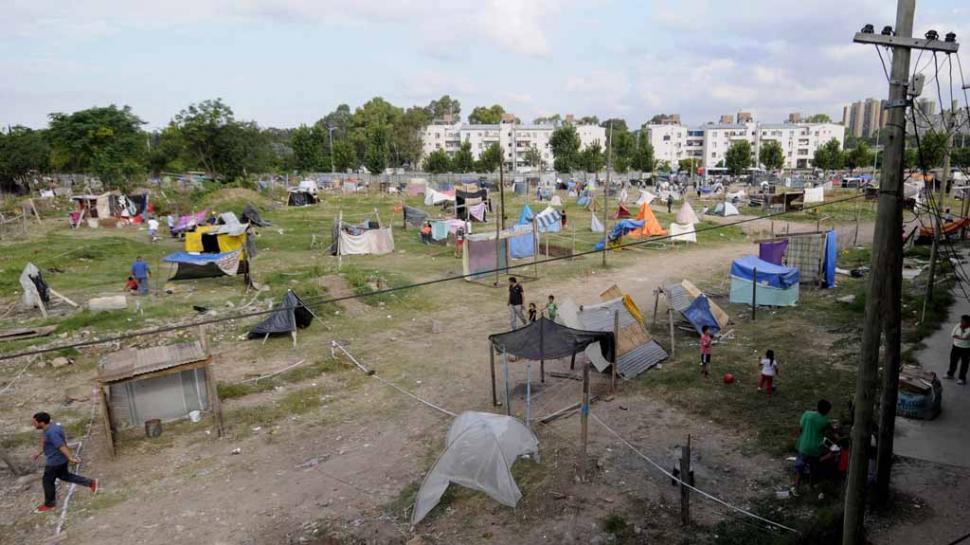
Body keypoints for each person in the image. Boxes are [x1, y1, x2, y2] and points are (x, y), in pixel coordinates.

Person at [31, 412, 98, 512]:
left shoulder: (52, 433)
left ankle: (49, 504)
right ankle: (91, 483)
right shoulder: (51, 427)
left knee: (47, 481)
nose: (33, 424)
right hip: (60, 459)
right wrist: (38, 453)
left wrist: (71, 458)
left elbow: (61, 446)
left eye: (35, 422)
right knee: (65, 476)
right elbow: (44, 440)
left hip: (54, 462)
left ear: (42, 423)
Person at [792, 399, 832, 493]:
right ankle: (811, 486)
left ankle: (796, 488)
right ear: (827, 411)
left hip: (803, 446)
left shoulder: (807, 414)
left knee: (800, 468)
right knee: (813, 469)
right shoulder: (825, 421)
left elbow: (801, 427)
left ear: (817, 407)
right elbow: (827, 432)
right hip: (816, 449)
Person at [946, 314, 970, 385]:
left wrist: (960, 337)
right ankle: (950, 374)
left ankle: (962, 378)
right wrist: (963, 338)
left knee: (964, 364)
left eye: (963, 321)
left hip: (966, 349)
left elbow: (965, 337)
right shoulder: (958, 325)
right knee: (953, 361)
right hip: (956, 346)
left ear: (967, 322)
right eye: (961, 320)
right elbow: (953, 334)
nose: (961, 322)